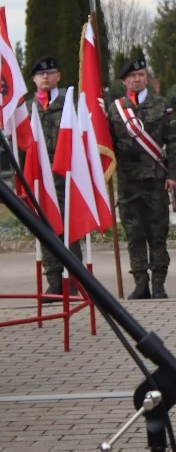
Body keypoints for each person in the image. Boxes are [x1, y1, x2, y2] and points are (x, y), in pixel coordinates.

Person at [107, 57, 176, 299]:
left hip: (155, 178)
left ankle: (159, 283)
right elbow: (108, 144)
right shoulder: (115, 109)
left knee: (157, 233)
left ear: (146, 78)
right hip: (128, 181)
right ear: (124, 81)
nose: (137, 79)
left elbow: (173, 141)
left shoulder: (162, 105)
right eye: (132, 76)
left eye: (141, 75)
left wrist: (173, 174)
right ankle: (140, 283)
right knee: (134, 233)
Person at [23, 57, 82, 295]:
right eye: (40, 74)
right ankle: (54, 282)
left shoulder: (71, 105)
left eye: (50, 72)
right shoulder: (27, 109)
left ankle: (75, 281)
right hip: (40, 177)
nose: (45, 77)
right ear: (34, 79)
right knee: (45, 229)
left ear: (58, 76)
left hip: (66, 176)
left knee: (69, 230)